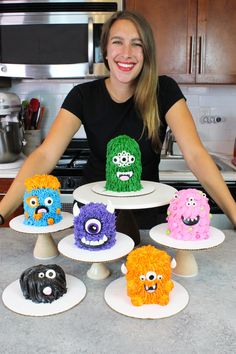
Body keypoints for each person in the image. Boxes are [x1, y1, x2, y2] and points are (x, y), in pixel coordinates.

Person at [0, 10, 235, 232]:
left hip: (146, 220)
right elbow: (45, 155)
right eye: (117, 42)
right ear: (105, 50)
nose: (127, 53)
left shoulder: (164, 91)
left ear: (147, 53)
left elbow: (195, 154)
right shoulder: (83, 96)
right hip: (93, 217)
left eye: (137, 44)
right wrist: (2, 213)